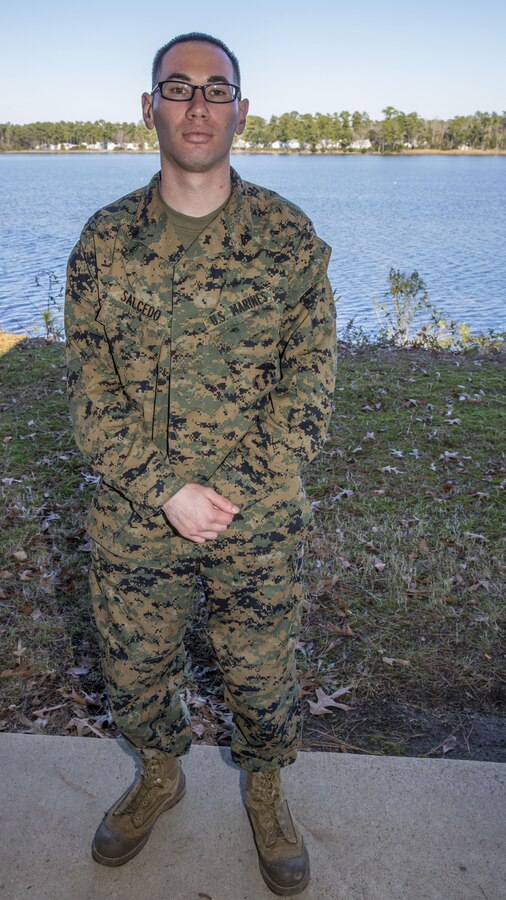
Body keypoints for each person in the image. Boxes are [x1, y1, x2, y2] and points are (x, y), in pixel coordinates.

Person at [65, 32, 336, 896]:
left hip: (255, 522)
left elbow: (310, 387)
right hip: (138, 521)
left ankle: (263, 789)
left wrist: (228, 495)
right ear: (149, 108)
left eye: (216, 90)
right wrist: (167, 492)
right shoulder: (105, 242)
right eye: (177, 89)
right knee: (136, 672)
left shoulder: (289, 239)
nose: (197, 105)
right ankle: (158, 774)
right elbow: (91, 394)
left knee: (260, 675)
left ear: (241, 112)